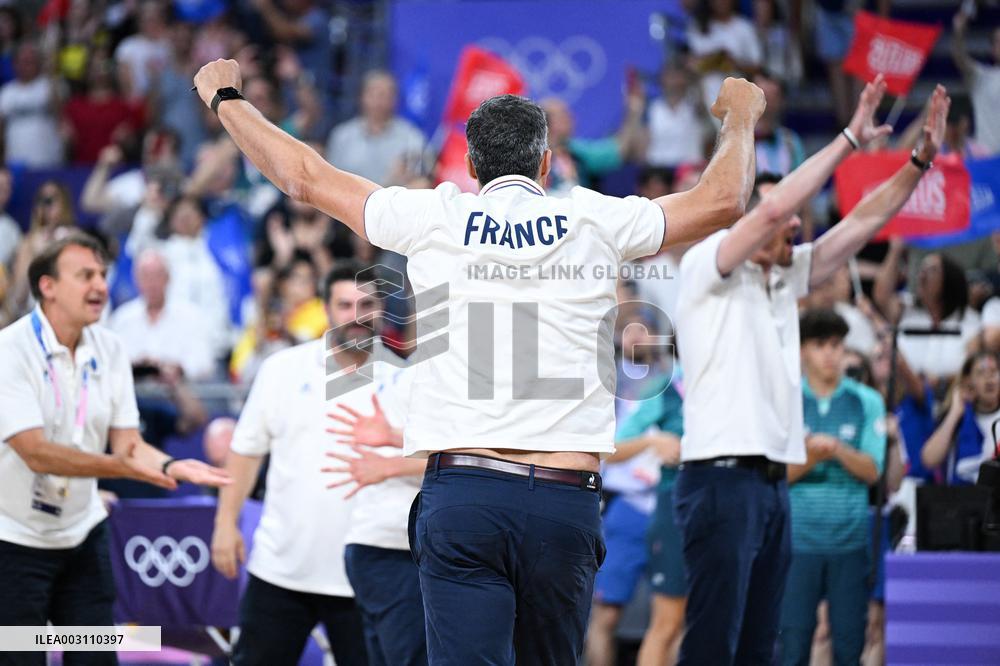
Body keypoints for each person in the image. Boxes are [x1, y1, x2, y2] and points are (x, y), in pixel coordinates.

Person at [194, 55, 765, 664]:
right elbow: (724, 198)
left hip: (462, 494)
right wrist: (740, 117)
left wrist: (225, 95)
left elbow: (302, 175)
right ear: (546, 164)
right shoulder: (598, 216)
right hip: (562, 496)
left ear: (470, 167)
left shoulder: (433, 215)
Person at [672, 77, 947, 665]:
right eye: (786, 218)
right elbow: (774, 204)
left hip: (772, 486)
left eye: (797, 223)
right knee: (712, 642)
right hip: (720, 481)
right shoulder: (705, 266)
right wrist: (849, 136)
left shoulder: (783, 276)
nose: (796, 226)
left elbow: (862, 223)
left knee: (757, 645)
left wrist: (918, 161)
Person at [0, 232, 229, 664]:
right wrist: (124, 468)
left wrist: (173, 464)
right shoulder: (9, 350)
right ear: (47, 286)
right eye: (85, 275)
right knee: (18, 655)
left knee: (96, 657)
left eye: (103, 275)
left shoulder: (111, 347)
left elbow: (130, 444)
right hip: (14, 540)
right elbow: (36, 452)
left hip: (83, 534)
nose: (101, 286)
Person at [210, 261, 388, 666]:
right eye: (345, 305)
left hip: (366, 575)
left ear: (381, 310)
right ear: (325, 308)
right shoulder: (282, 369)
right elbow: (245, 450)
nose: (356, 317)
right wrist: (225, 523)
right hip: (280, 569)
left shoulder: (406, 378)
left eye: (367, 305)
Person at [780, 309, 885, 666]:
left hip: (851, 544)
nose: (830, 353)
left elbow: (873, 471)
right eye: (820, 345)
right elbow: (776, 475)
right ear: (802, 351)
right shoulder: (786, 401)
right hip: (797, 543)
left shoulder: (867, 401)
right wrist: (812, 456)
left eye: (837, 345)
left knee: (849, 648)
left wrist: (837, 450)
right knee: (791, 648)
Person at [324, 366, 429, 666]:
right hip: (392, 548)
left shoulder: (401, 373)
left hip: (374, 547)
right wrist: (389, 464)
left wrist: (393, 442)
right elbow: (462, 460)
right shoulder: (422, 375)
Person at [110, 248, 216, 380]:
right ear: (136, 279)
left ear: (168, 278)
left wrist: (178, 368)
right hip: (133, 393)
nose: (152, 283)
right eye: (146, 276)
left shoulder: (191, 317)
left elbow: (205, 364)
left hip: (178, 394)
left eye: (157, 275)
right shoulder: (122, 319)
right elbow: (111, 364)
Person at [325, 70, 426, 186]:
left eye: (384, 95)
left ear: (395, 100)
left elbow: (421, 182)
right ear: (361, 97)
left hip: (393, 201)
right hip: (348, 201)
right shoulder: (342, 136)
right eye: (372, 94)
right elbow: (330, 181)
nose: (378, 101)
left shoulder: (411, 137)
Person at [921, 350, 1000, 484]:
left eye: (994, 372)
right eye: (981, 373)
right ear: (968, 381)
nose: (989, 378)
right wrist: (955, 412)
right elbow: (929, 460)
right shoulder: (960, 417)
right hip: (963, 500)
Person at [951, 6, 1000, 154]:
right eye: (998, 41)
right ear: (992, 49)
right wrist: (958, 31)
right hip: (987, 158)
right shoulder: (981, 77)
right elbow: (960, 58)